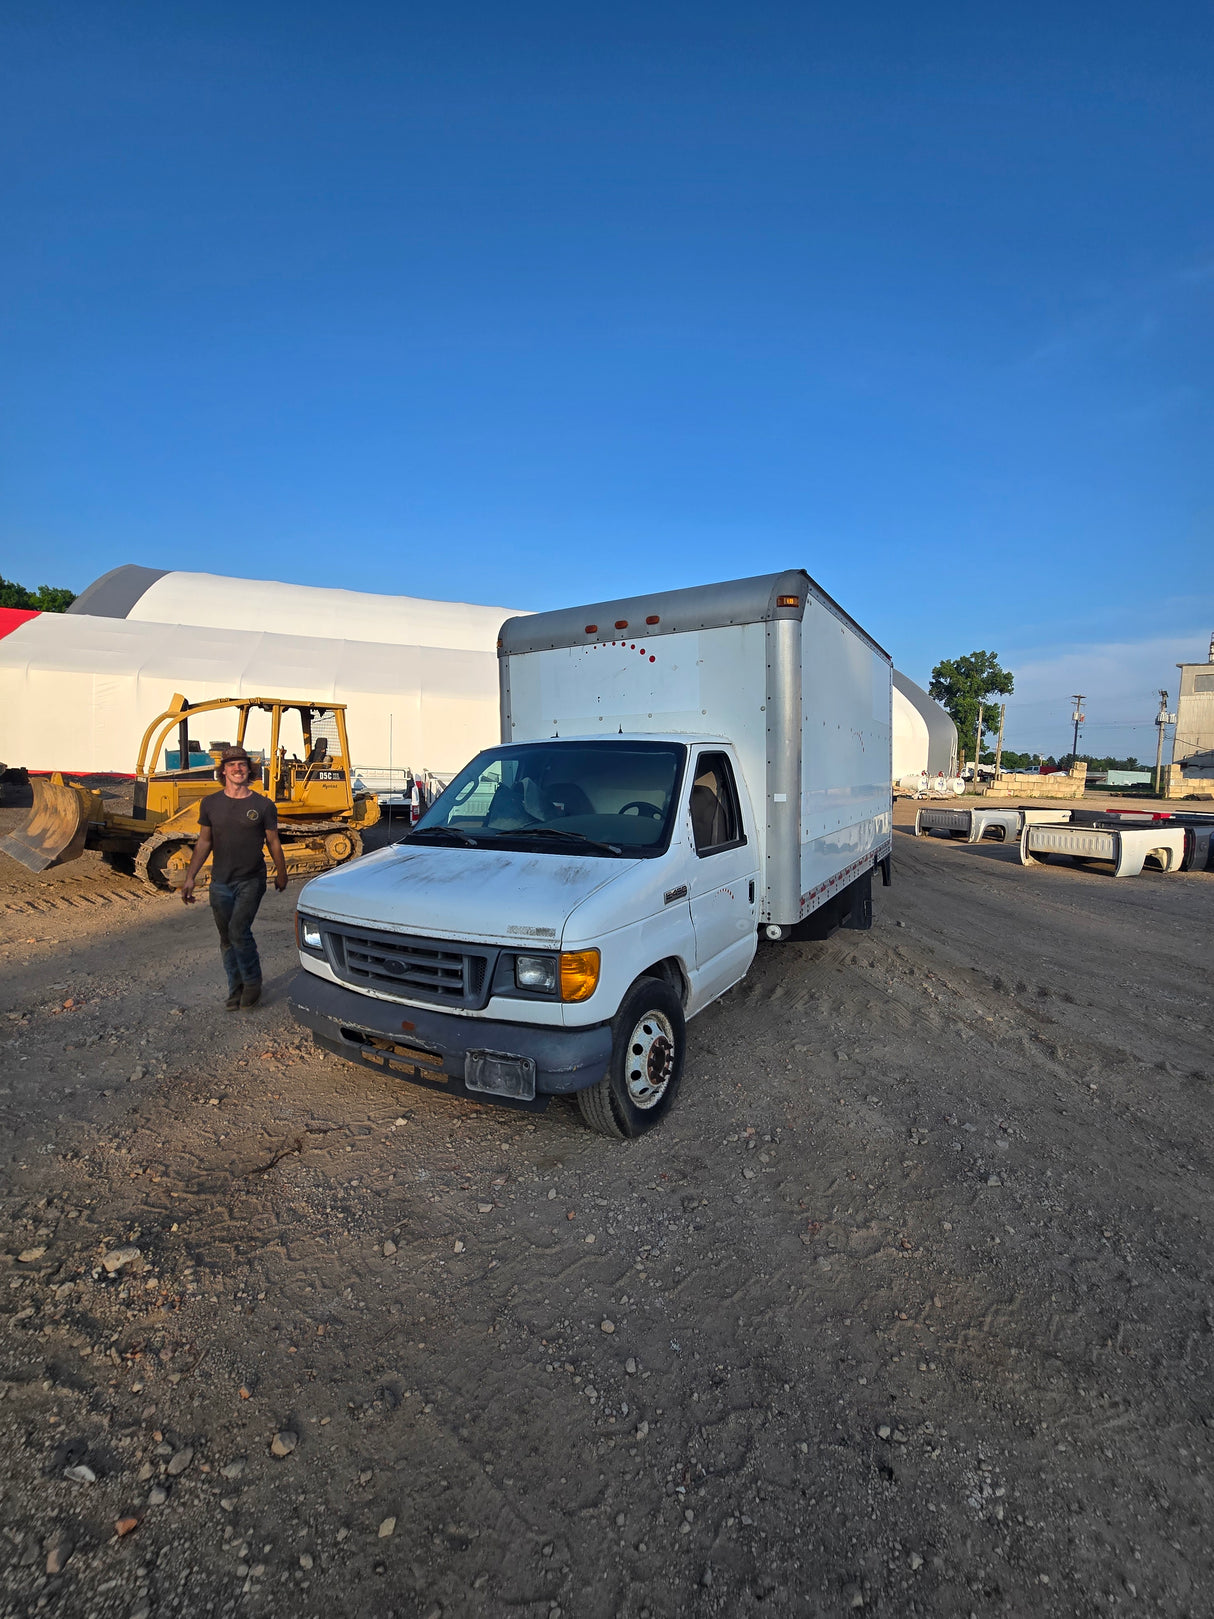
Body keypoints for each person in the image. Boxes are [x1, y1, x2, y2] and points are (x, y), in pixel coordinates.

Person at [181, 746, 288, 1010]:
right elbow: (204, 842)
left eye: (242, 764)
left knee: (239, 930)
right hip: (220, 882)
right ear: (223, 771)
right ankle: (235, 989)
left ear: (249, 770)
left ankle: (252, 983)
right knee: (226, 938)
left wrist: (282, 871)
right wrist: (190, 877)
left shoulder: (263, 805)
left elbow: (273, 842)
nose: (237, 769)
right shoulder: (211, 804)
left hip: (251, 879)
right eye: (231, 765)